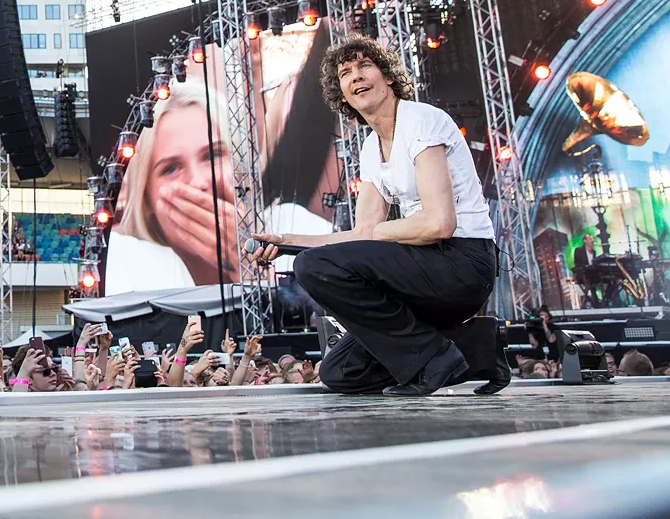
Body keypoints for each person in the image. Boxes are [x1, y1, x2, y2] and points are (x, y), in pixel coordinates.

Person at [250, 34, 502, 397]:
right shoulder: (372, 147)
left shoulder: (420, 120)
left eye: (365, 66)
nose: (356, 76)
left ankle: (434, 358)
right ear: (342, 94)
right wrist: (288, 242)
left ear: (388, 77)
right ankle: (478, 350)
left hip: (463, 263)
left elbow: (439, 223)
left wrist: (379, 232)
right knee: (340, 373)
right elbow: (363, 231)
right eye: (345, 73)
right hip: (423, 269)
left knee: (313, 266)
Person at [110, 80, 331, 291]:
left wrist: (247, 262)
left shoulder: (296, 228)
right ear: (145, 197)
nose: (199, 182)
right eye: (171, 168)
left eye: (212, 155)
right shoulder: (126, 267)